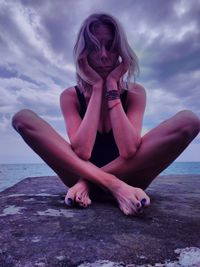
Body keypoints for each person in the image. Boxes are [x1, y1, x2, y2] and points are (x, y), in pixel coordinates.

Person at [12, 13, 200, 216]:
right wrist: (97, 87)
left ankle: (90, 183)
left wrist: (111, 85)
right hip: (77, 173)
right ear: (83, 53)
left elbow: (128, 150)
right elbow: (82, 151)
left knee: (188, 121)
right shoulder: (70, 96)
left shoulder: (135, 93)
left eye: (110, 46)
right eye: (94, 47)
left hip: (131, 176)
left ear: (120, 51)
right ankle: (109, 183)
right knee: (23, 118)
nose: (103, 55)